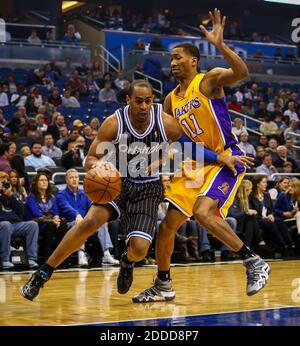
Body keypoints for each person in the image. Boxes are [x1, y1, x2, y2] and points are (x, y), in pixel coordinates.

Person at [20, 79, 250, 301]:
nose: (144, 106)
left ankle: (128, 261)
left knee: (140, 250)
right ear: (128, 100)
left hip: (149, 188)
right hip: (117, 183)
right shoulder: (114, 122)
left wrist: (220, 158)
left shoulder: (165, 121)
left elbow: (189, 147)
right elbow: (90, 158)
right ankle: (42, 273)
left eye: (148, 101)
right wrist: (98, 166)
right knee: (89, 222)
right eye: (138, 101)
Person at [133, 9, 270, 303]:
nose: (172, 63)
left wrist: (220, 46)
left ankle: (253, 261)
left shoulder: (208, 80)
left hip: (227, 157)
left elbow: (242, 73)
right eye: (171, 59)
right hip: (196, 163)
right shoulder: (170, 99)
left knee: (203, 212)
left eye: (178, 58)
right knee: (167, 226)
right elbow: (174, 141)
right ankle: (163, 284)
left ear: (194, 60)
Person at [56, 168, 119, 266]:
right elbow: (65, 207)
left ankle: (106, 253)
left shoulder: (85, 193)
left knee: (101, 223)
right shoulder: (61, 194)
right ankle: (81, 254)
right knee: (78, 223)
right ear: (66, 180)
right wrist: (77, 215)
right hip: (70, 222)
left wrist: (99, 217)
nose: (74, 179)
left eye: (76, 177)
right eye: (71, 177)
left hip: (86, 221)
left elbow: (92, 206)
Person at [250, 175, 295, 257]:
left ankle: (291, 245)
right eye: (264, 182)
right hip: (258, 220)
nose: (266, 184)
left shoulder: (266, 195)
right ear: (257, 184)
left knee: (279, 221)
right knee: (270, 224)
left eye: (266, 182)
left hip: (267, 218)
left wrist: (270, 214)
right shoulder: (251, 196)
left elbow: (271, 209)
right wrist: (264, 217)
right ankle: (283, 247)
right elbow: (251, 212)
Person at [0, 179, 39, 270]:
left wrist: (11, 195)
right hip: (2, 224)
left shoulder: (13, 195)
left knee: (32, 225)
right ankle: (4, 259)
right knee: (6, 225)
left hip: (15, 224)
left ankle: (31, 258)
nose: (3, 186)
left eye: (5, 184)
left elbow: (21, 211)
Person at [274, 178, 300, 247]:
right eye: (289, 186)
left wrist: (294, 211)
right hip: (284, 219)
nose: (289, 188)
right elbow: (274, 210)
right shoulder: (283, 195)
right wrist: (283, 213)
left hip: (295, 218)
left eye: (292, 186)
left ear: (297, 187)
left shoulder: (298, 197)